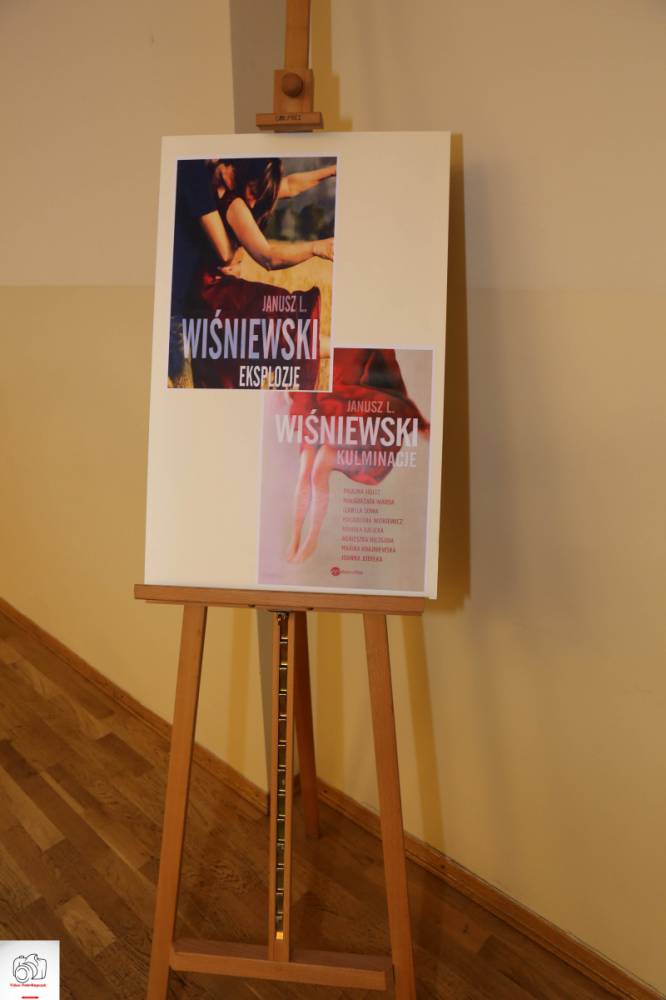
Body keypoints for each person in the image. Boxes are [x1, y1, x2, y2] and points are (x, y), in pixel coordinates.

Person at [189, 158, 336, 389]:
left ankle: (351, 351)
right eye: (253, 191)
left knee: (285, 328)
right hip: (212, 294)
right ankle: (353, 352)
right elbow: (269, 258)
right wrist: (316, 247)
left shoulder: (236, 191)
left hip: (217, 288)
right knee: (281, 316)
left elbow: (291, 185)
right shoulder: (235, 204)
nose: (254, 201)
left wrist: (333, 170)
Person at [285, 349, 429, 563]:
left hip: (348, 415)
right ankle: (295, 536)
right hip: (317, 408)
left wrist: (414, 417)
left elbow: (391, 379)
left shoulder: (373, 345)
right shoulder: (319, 340)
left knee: (320, 465)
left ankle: (312, 537)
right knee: (305, 469)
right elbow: (303, 369)